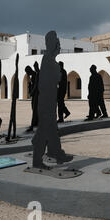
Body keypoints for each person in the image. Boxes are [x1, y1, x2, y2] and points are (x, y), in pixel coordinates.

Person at [31, 31, 73, 168]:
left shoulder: (50, 60)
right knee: (44, 131)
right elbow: (53, 80)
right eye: (57, 42)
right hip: (46, 102)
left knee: (52, 130)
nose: (59, 45)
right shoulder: (48, 60)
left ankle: (56, 152)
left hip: (50, 101)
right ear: (51, 44)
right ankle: (37, 160)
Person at [6, 54, 19, 142]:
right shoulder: (15, 78)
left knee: (12, 118)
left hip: (14, 100)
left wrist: (16, 63)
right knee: (12, 118)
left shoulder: (16, 76)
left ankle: (10, 134)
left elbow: (17, 69)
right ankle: (12, 134)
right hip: (13, 100)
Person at [26, 61, 40, 132]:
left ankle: (32, 126)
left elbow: (36, 85)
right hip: (36, 94)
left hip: (37, 94)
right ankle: (36, 122)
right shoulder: (37, 73)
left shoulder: (37, 74)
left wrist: (31, 92)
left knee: (35, 109)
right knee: (34, 109)